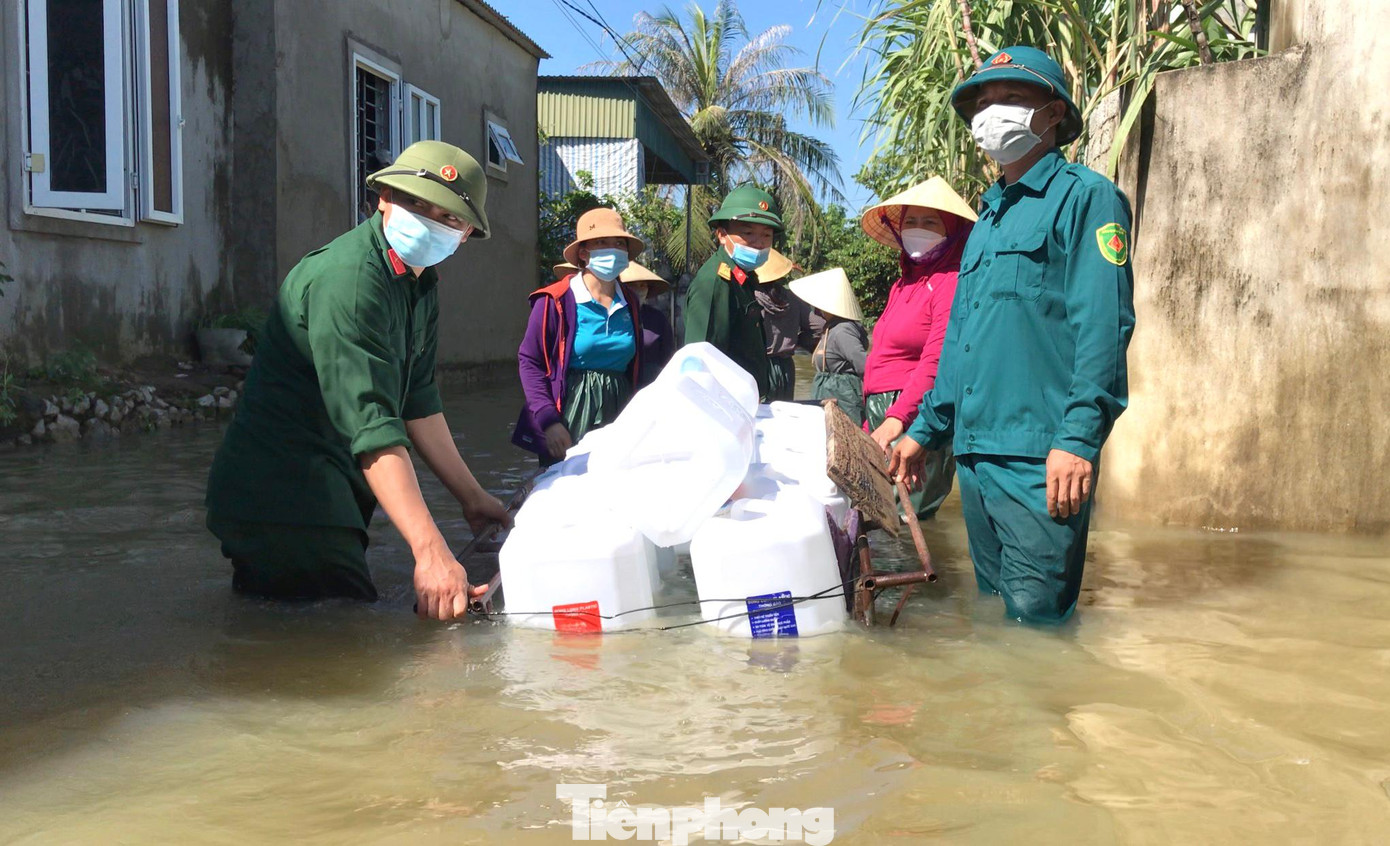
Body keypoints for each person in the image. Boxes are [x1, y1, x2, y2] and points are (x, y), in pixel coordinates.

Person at [205, 141, 510, 621]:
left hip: (331, 492)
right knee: (337, 640)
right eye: (416, 203)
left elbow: (418, 404)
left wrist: (473, 499)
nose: (430, 221)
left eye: (448, 217)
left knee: (301, 626)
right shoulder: (350, 279)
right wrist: (429, 550)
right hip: (284, 496)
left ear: (466, 233)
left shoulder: (418, 284)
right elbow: (373, 424)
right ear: (384, 197)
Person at [889, 46, 1136, 624]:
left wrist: (1077, 439)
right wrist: (926, 430)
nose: (991, 112)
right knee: (997, 623)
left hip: (1038, 457)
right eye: (983, 101)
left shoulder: (1085, 198)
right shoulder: (988, 221)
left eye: (1012, 98)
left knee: (1036, 627)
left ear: (1053, 115)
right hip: (975, 457)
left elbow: (1104, 326)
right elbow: (960, 341)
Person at [860, 177, 978, 519]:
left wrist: (898, 417)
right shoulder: (904, 282)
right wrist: (875, 422)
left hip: (916, 413)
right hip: (885, 413)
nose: (917, 229)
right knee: (877, 512)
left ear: (952, 230)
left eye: (930, 222)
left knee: (904, 518)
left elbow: (939, 359)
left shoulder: (950, 281)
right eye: (910, 221)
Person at [513, 208, 645, 465]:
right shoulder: (555, 301)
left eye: (619, 243)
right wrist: (548, 420)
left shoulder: (630, 302)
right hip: (571, 412)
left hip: (621, 411)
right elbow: (530, 361)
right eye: (602, 242)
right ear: (584, 253)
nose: (613, 249)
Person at [682, 185, 783, 400]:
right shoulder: (715, 282)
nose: (758, 243)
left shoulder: (743, 279)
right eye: (748, 233)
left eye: (766, 235)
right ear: (722, 235)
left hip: (742, 401)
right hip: (724, 404)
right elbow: (702, 359)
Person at [788, 267, 868, 425]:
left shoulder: (842, 330)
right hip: (832, 394)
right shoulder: (831, 327)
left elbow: (863, 365)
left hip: (844, 399)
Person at [753, 250, 817, 401]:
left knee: (760, 415)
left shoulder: (752, 298)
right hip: (786, 367)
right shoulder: (792, 298)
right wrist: (797, 339)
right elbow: (818, 327)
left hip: (759, 366)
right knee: (785, 413)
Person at [618, 261, 677, 386]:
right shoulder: (613, 316)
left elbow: (669, 359)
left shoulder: (657, 318)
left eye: (643, 285)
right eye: (633, 285)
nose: (639, 290)